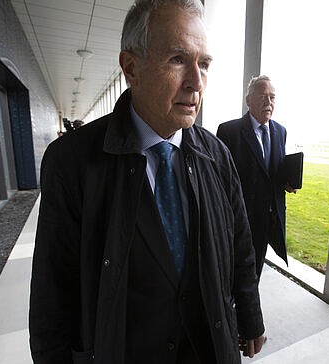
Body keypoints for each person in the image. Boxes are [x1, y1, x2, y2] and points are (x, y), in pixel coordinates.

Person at [29, 1, 266, 363]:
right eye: (177, 60)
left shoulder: (217, 155)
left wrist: (249, 316)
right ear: (131, 67)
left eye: (203, 63)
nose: (196, 82)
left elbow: (240, 244)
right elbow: (53, 294)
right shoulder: (71, 162)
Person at [217, 75, 298, 280]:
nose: (268, 102)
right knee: (233, 275)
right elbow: (219, 181)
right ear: (248, 100)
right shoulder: (229, 131)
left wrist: (286, 182)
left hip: (269, 221)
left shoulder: (280, 131)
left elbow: (272, 170)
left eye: (272, 97)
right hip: (240, 221)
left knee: (255, 276)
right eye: (262, 96)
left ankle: (246, 310)